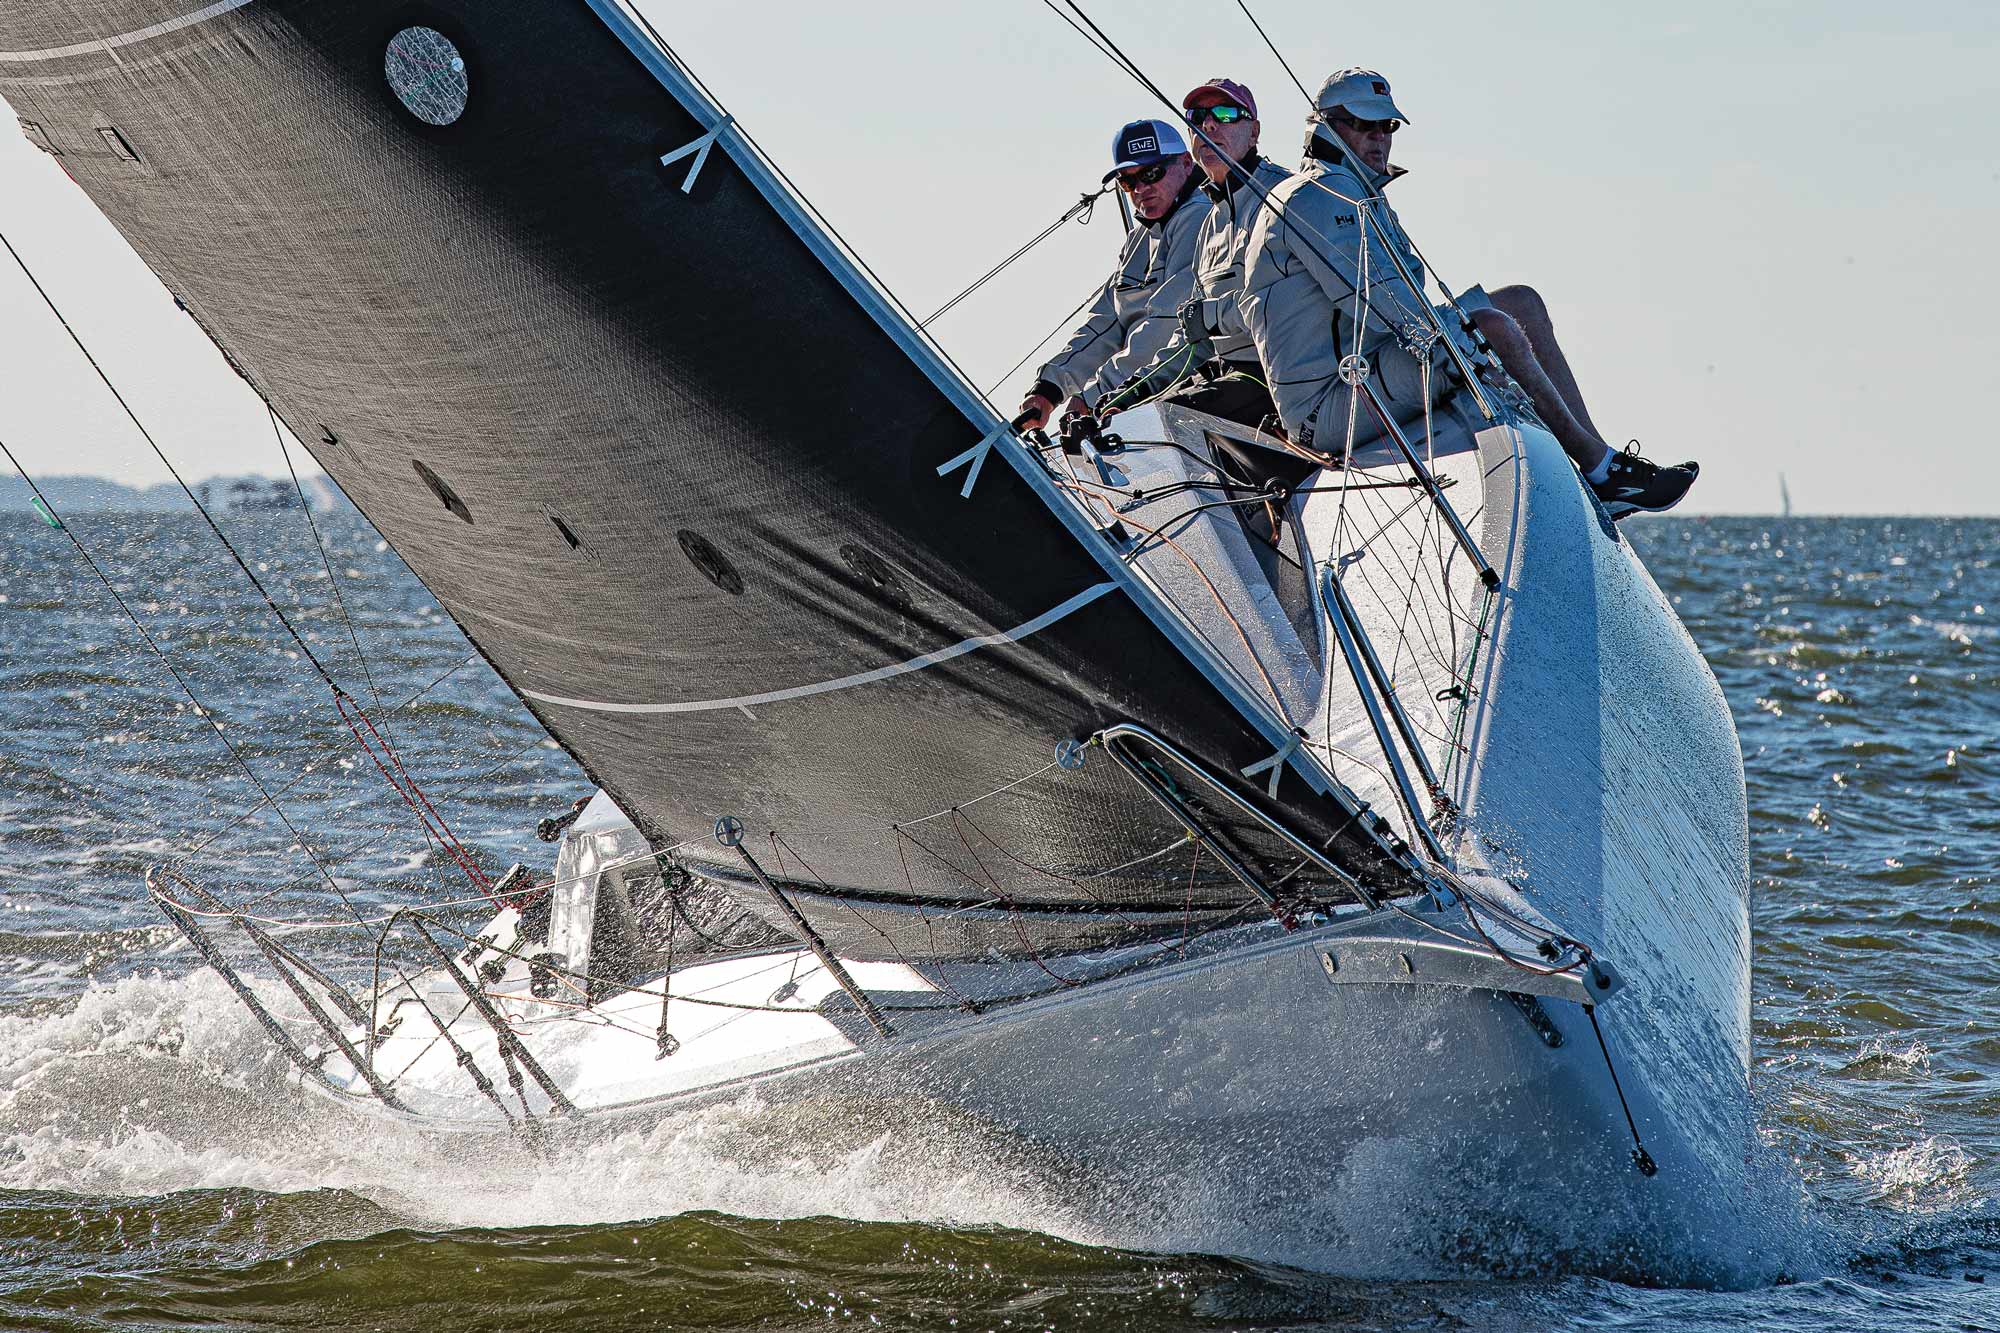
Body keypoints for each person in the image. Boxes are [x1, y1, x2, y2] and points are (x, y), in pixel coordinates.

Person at [1240, 69, 1697, 517]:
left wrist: (1457, 335)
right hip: (1328, 406)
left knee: (1522, 303)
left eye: (1388, 125)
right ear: (1325, 127)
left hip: (1365, 372)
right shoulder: (1320, 195)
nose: (1380, 136)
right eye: (1364, 124)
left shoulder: (1353, 192)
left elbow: (1401, 307)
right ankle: (1599, 468)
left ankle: (1601, 464)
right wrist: (1470, 340)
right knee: (1493, 327)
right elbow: (1390, 310)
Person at [1096, 78, 1295, 434]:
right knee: (1124, 424)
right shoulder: (1211, 224)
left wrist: (1211, 315)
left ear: (1254, 132)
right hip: (1227, 373)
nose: (1209, 125)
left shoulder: (1286, 197)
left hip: (1283, 381)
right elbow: (1192, 341)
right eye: (1197, 117)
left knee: (1154, 429)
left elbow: (1284, 305)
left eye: (1225, 113)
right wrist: (1133, 390)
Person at [1016, 119, 1210, 432]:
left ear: (1186, 164)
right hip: (1132, 398)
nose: (1141, 189)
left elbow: (1167, 325)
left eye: (1151, 173)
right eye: (1128, 181)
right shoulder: (1138, 240)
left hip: (1186, 393)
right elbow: (1105, 324)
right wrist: (1048, 390)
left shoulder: (1200, 217)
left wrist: (1094, 395)